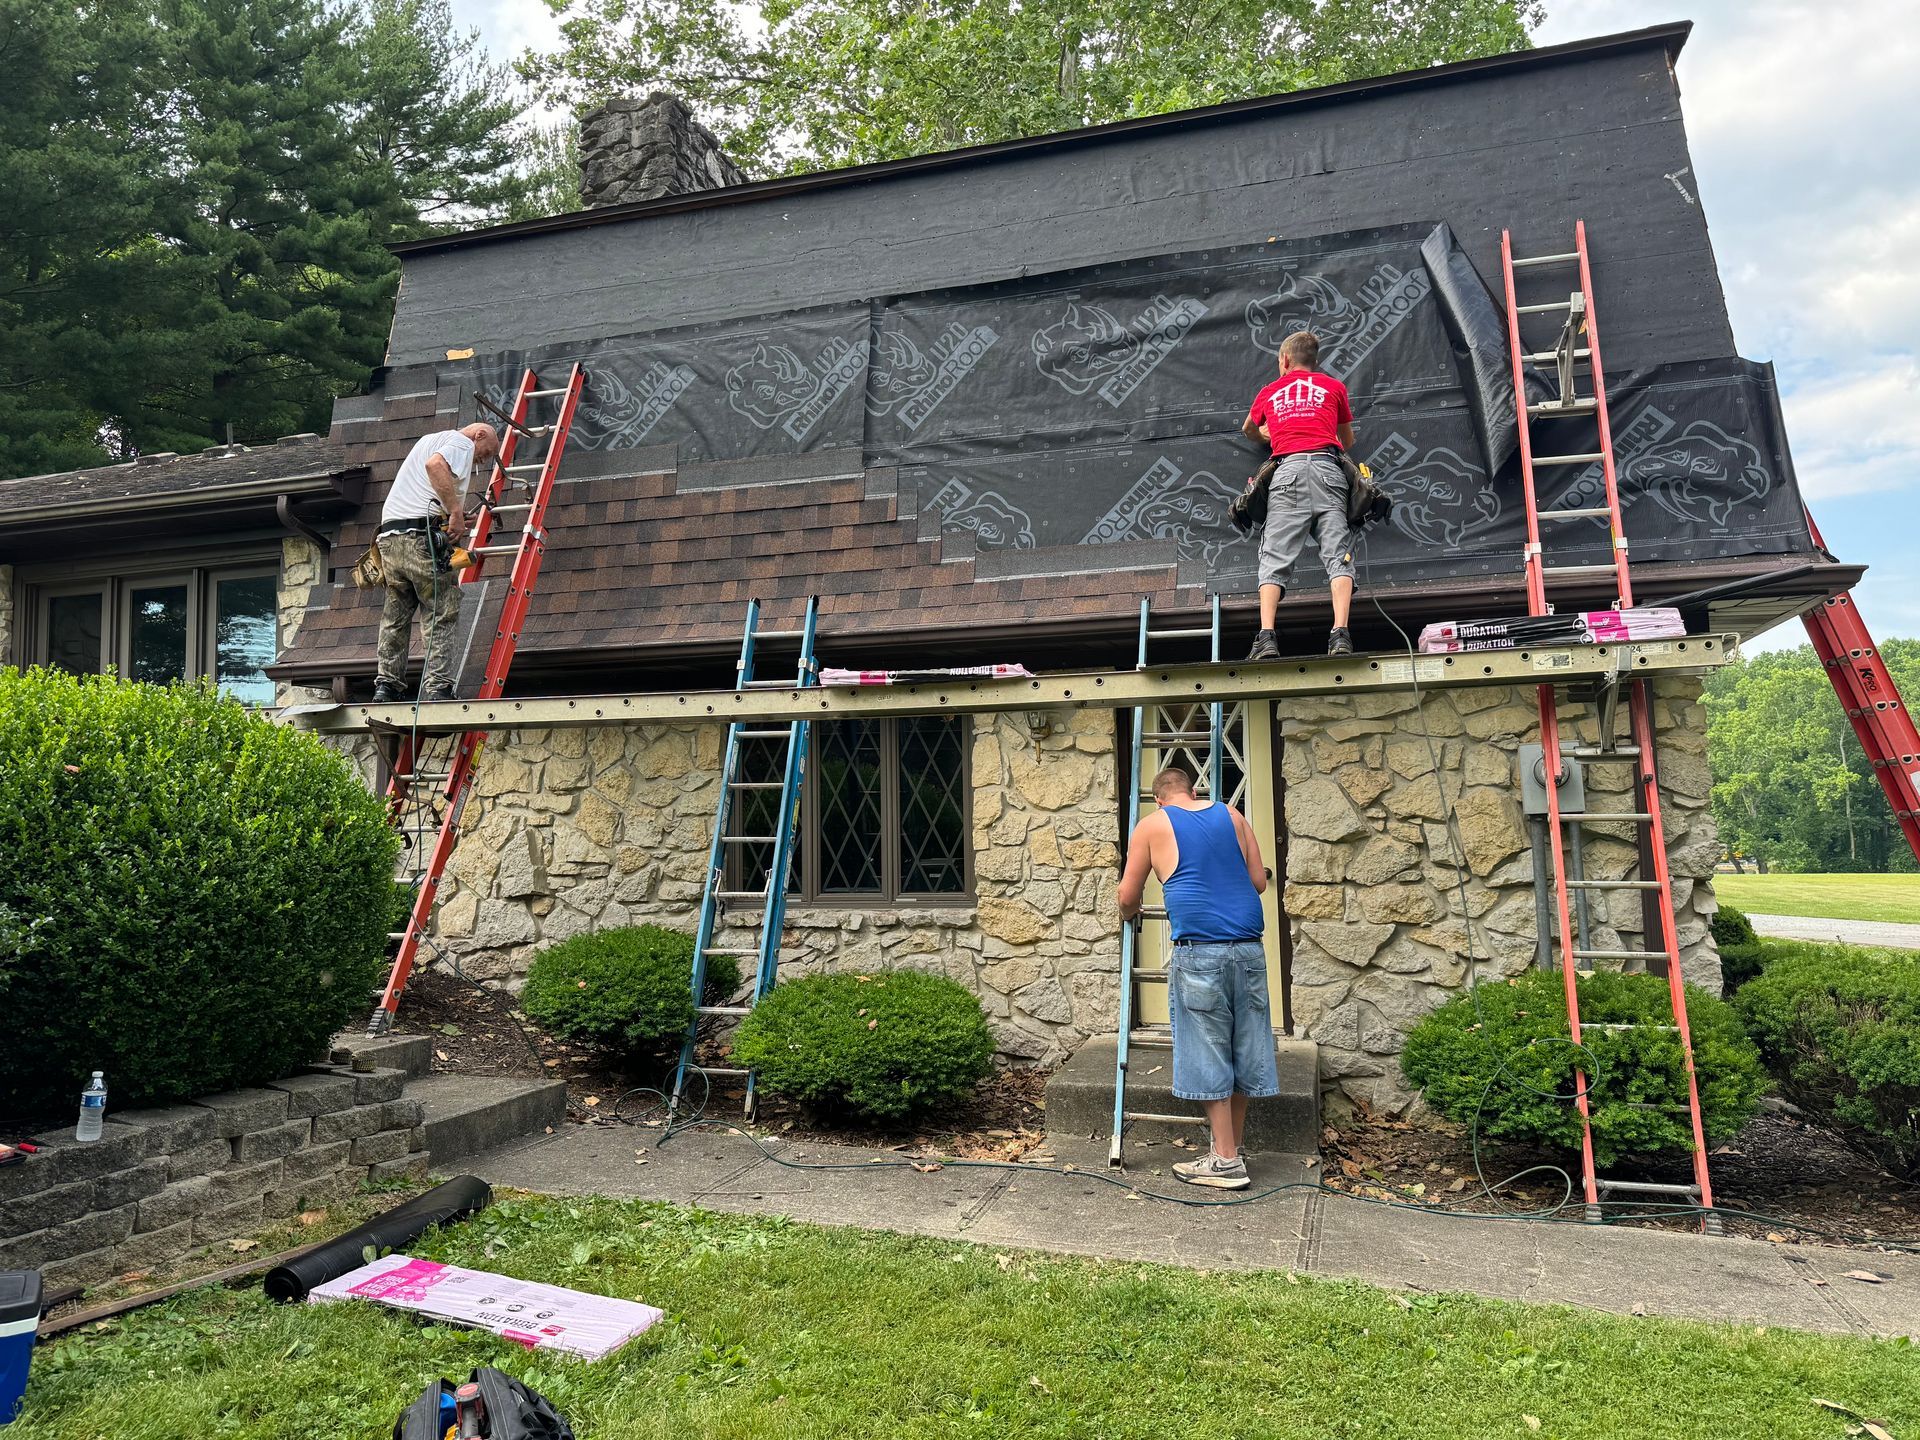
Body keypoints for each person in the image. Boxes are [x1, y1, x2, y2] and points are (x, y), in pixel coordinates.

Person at [1115, 766, 1274, 1189]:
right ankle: (1230, 1153)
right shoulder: (1234, 815)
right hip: (1249, 950)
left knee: (1210, 1053)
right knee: (1243, 1049)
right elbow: (1258, 881)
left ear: (1160, 799)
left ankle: (1224, 1162)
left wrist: (1128, 914)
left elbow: (1128, 896)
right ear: (1195, 791)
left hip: (1201, 953)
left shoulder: (1152, 824)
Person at [1241, 330, 1359, 661]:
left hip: (1288, 472)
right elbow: (1347, 441)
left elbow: (1248, 428)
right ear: (1314, 361)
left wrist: (1266, 432)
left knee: (1275, 557)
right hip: (1328, 470)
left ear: (1284, 360)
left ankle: (1266, 638)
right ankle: (1340, 636)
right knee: (1339, 554)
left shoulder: (1270, 391)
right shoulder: (1334, 387)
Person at [372, 422, 499, 703]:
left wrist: (451, 513)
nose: (482, 461)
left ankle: (387, 686)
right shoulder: (461, 442)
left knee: (396, 616)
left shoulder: (429, 438)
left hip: (390, 540)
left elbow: (422, 491)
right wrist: (454, 512)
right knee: (442, 610)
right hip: (420, 540)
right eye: (485, 453)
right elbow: (435, 465)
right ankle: (438, 689)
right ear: (479, 435)